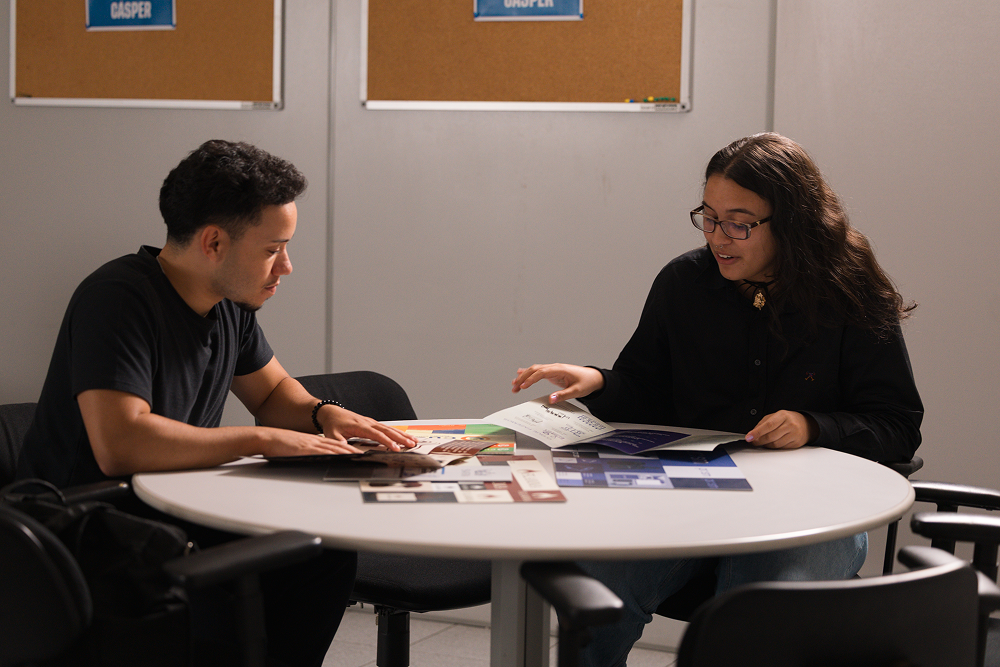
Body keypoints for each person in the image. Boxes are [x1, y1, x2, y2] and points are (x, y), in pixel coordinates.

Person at [511, 132, 923, 667]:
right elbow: (647, 391)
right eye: (708, 217)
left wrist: (813, 426)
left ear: (792, 222)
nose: (718, 237)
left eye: (739, 223)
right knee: (598, 583)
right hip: (690, 500)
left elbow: (897, 425)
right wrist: (598, 381)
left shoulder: (850, 291)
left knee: (753, 614)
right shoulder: (685, 282)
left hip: (809, 513)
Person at [17, 139, 417, 666]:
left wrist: (323, 414)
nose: (287, 267)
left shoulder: (228, 303)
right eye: (273, 249)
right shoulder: (116, 298)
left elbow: (273, 393)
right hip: (88, 527)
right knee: (275, 579)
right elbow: (122, 444)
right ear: (213, 242)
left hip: (167, 506)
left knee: (319, 551)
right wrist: (261, 439)